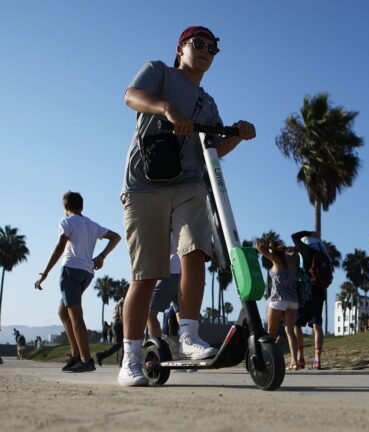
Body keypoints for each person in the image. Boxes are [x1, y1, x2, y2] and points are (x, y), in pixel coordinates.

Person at [119, 25, 256, 386]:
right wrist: (166, 108)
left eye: (213, 47)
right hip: (144, 184)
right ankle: (130, 358)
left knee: (195, 252)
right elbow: (131, 96)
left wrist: (238, 135)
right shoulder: (159, 72)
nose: (207, 51)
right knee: (146, 275)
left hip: (189, 183)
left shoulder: (207, 104)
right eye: (199, 44)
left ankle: (189, 336)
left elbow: (212, 150)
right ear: (181, 48)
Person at [35, 191, 121, 373]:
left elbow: (60, 247)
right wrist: (102, 256)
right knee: (63, 311)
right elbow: (116, 237)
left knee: (75, 315)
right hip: (86, 273)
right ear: (81, 206)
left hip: (70, 270)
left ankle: (86, 360)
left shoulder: (67, 222)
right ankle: (75, 355)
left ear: (66, 207)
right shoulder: (91, 224)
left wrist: (45, 272)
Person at [255, 240, 300, 370]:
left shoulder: (276, 259)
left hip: (278, 300)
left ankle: (267, 360)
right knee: (290, 331)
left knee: (271, 333)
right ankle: (294, 361)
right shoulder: (291, 260)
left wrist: (272, 248)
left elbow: (258, 246)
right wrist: (289, 249)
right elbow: (297, 250)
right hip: (292, 300)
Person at [291, 230, 331, 369]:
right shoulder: (324, 255)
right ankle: (317, 360)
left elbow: (294, 236)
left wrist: (309, 232)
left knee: (296, 324)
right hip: (320, 293)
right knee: (317, 325)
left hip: (306, 293)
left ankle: (300, 357)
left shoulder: (307, 250)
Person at [146, 231, 181, 345]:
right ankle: (186, 344)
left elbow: (162, 252)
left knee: (150, 314)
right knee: (181, 313)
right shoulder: (183, 224)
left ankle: (159, 349)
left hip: (171, 271)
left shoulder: (165, 227)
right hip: (184, 272)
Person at [95, 296, 124, 366]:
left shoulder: (121, 300)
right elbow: (121, 312)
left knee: (125, 344)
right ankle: (101, 355)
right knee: (119, 344)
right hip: (119, 324)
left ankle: (122, 361)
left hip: (118, 323)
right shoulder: (123, 301)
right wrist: (123, 321)